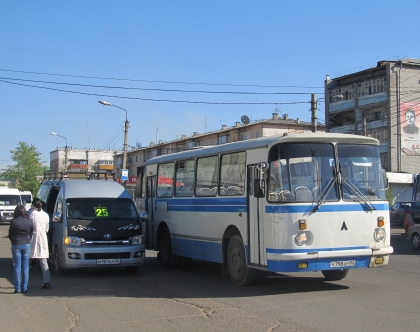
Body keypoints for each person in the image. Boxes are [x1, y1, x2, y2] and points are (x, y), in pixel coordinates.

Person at [8, 205, 34, 293]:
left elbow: (10, 234)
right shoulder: (29, 221)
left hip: (16, 244)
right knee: (25, 266)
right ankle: (25, 287)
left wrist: (13, 240)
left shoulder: (13, 221)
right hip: (26, 243)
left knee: (17, 266)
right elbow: (31, 232)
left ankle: (17, 288)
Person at [30, 198, 51, 289]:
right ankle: (47, 282)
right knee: (43, 261)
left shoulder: (32, 214)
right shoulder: (46, 215)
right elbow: (47, 229)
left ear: (33, 205)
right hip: (43, 238)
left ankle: (23, 282)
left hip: (33, 238)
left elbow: (29, 226)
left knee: (28, 259)